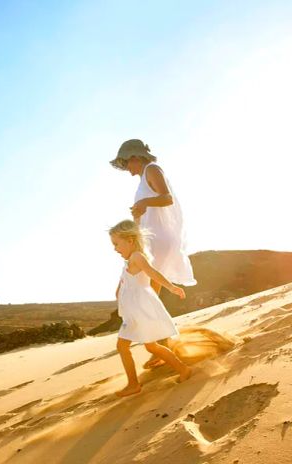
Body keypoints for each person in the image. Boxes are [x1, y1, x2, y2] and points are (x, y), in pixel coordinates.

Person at [110, 139, 196, 368]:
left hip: (160, 240)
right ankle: (160, 347)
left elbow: (166, 198)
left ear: (136, 157)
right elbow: (147, 209)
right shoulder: (142, 178)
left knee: (148, 295)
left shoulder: (152, 169)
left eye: (127, 163)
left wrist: (145, 202)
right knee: (149, 295)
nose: (127, 168)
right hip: (152, 241)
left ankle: (160, 348)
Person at [109, 219, 192, 397]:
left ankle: (133, 384)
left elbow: (153, 274)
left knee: (122, 346)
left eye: (116, 244)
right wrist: (118, 291)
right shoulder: (129, 260)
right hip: (134, 311)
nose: (115, 248)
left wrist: (171, 287)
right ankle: (183, 369)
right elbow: (127, 282)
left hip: (139, 311)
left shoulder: (137, 257)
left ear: (130, 240)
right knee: (151, 347)